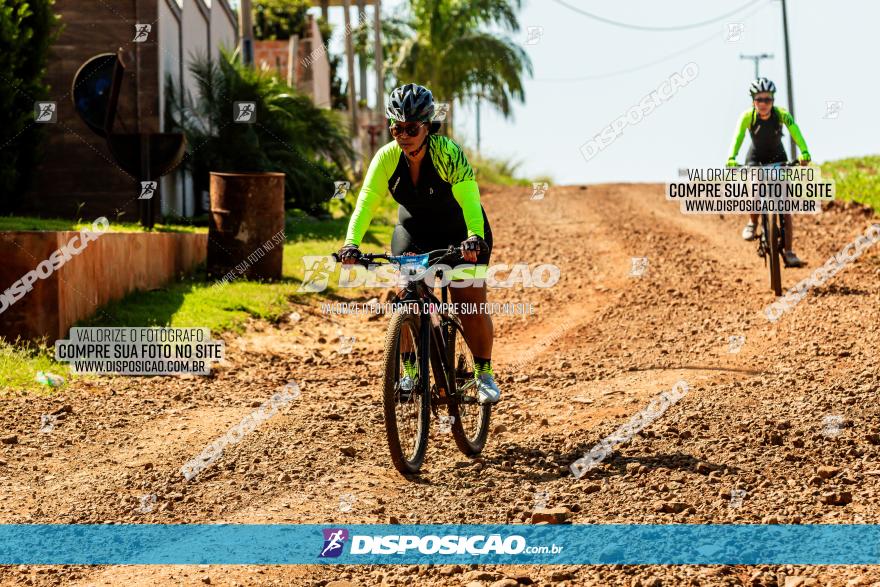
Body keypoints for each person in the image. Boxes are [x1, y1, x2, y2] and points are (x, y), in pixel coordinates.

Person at [336, 83, 501, 404]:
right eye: (396, 127)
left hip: (460, 234)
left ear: (427, 127)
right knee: (407, 297)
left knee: (469, 306)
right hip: (414, 233)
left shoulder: (448, 153)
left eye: (411, 128)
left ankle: (483, 374)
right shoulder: (386, 158)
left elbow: (470, 197)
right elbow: (366, 201)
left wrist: (474, 237)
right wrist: (351, 243)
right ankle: (410, 372)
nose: (402, 135)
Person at [727, 77, 811, 267]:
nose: (764, 104)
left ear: (773, 100)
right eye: (759, 100)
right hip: (755, 158)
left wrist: (804, 152)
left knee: (785, 207)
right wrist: (732, 157)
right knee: (755, 190)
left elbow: (795, 130)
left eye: (768, 99)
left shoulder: (781, 114)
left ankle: (789, 252)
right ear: (753, 101)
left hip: (778, 158)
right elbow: (738, 137)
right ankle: (753, 222)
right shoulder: (747, 117)